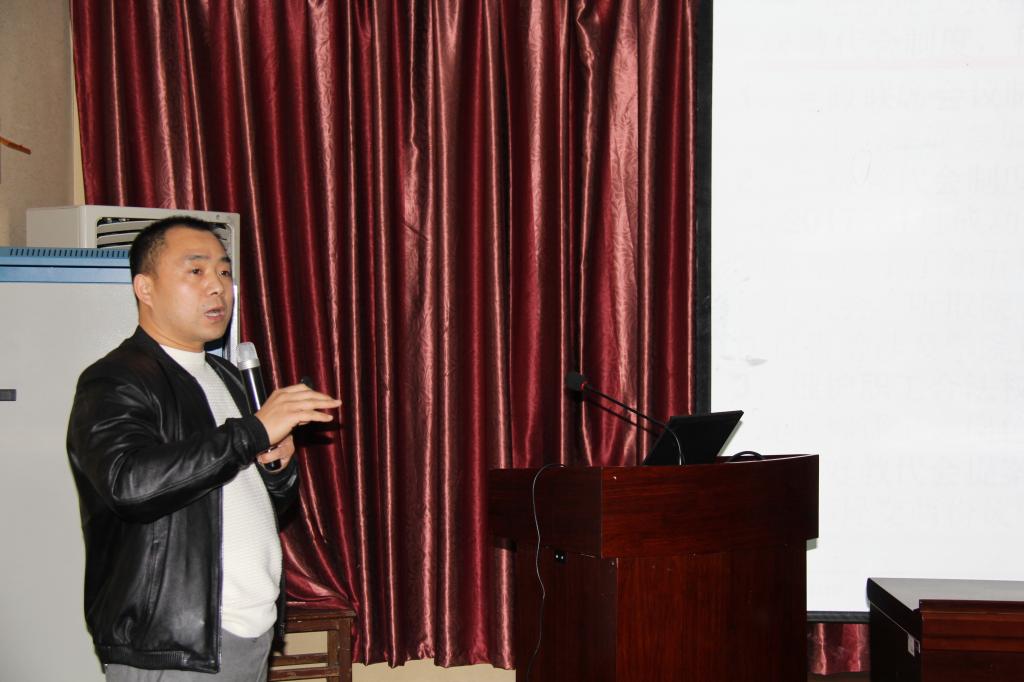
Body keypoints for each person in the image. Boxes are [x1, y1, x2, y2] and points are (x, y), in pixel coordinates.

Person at [66, 216, 341, 680]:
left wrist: (278, 469)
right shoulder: (115, 379)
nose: (217, 286)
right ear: (145, 288)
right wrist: (253, 432)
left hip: (249, 633)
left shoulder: (227, 377)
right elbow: (129, 486)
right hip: (175, 644)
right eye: (196, 271)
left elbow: (249, 500)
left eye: (224, 271)